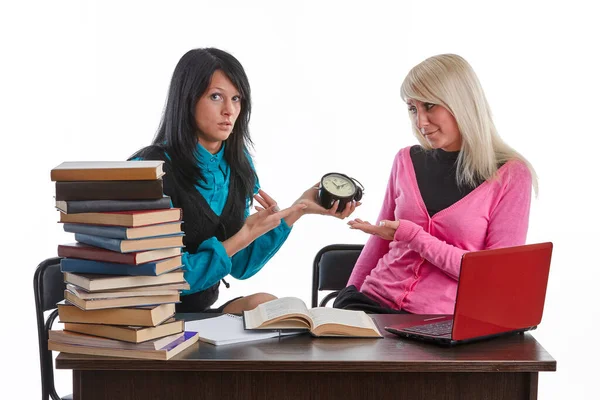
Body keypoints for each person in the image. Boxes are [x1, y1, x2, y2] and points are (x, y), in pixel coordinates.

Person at [132, 48, 357, 314]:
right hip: (144, 318)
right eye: (216, 97)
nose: (229, 110)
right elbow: (165, 278)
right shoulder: (148, 171)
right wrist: (245, 234)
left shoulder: (239, 166)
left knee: (270, 306)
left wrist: (297, 210)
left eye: (236, 98)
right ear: (187, 99)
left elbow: (241, 266)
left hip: (196, 313)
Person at [334, 54, 537, 315]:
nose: (420, 122)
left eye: (429, 106)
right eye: (412, 108)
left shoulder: (511, 175)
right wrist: (344, 310)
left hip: (439, 324)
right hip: (371, 303)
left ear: (461, 102)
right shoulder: (405, 159)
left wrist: (414, 236)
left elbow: (493, 277)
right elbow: (378, 244)